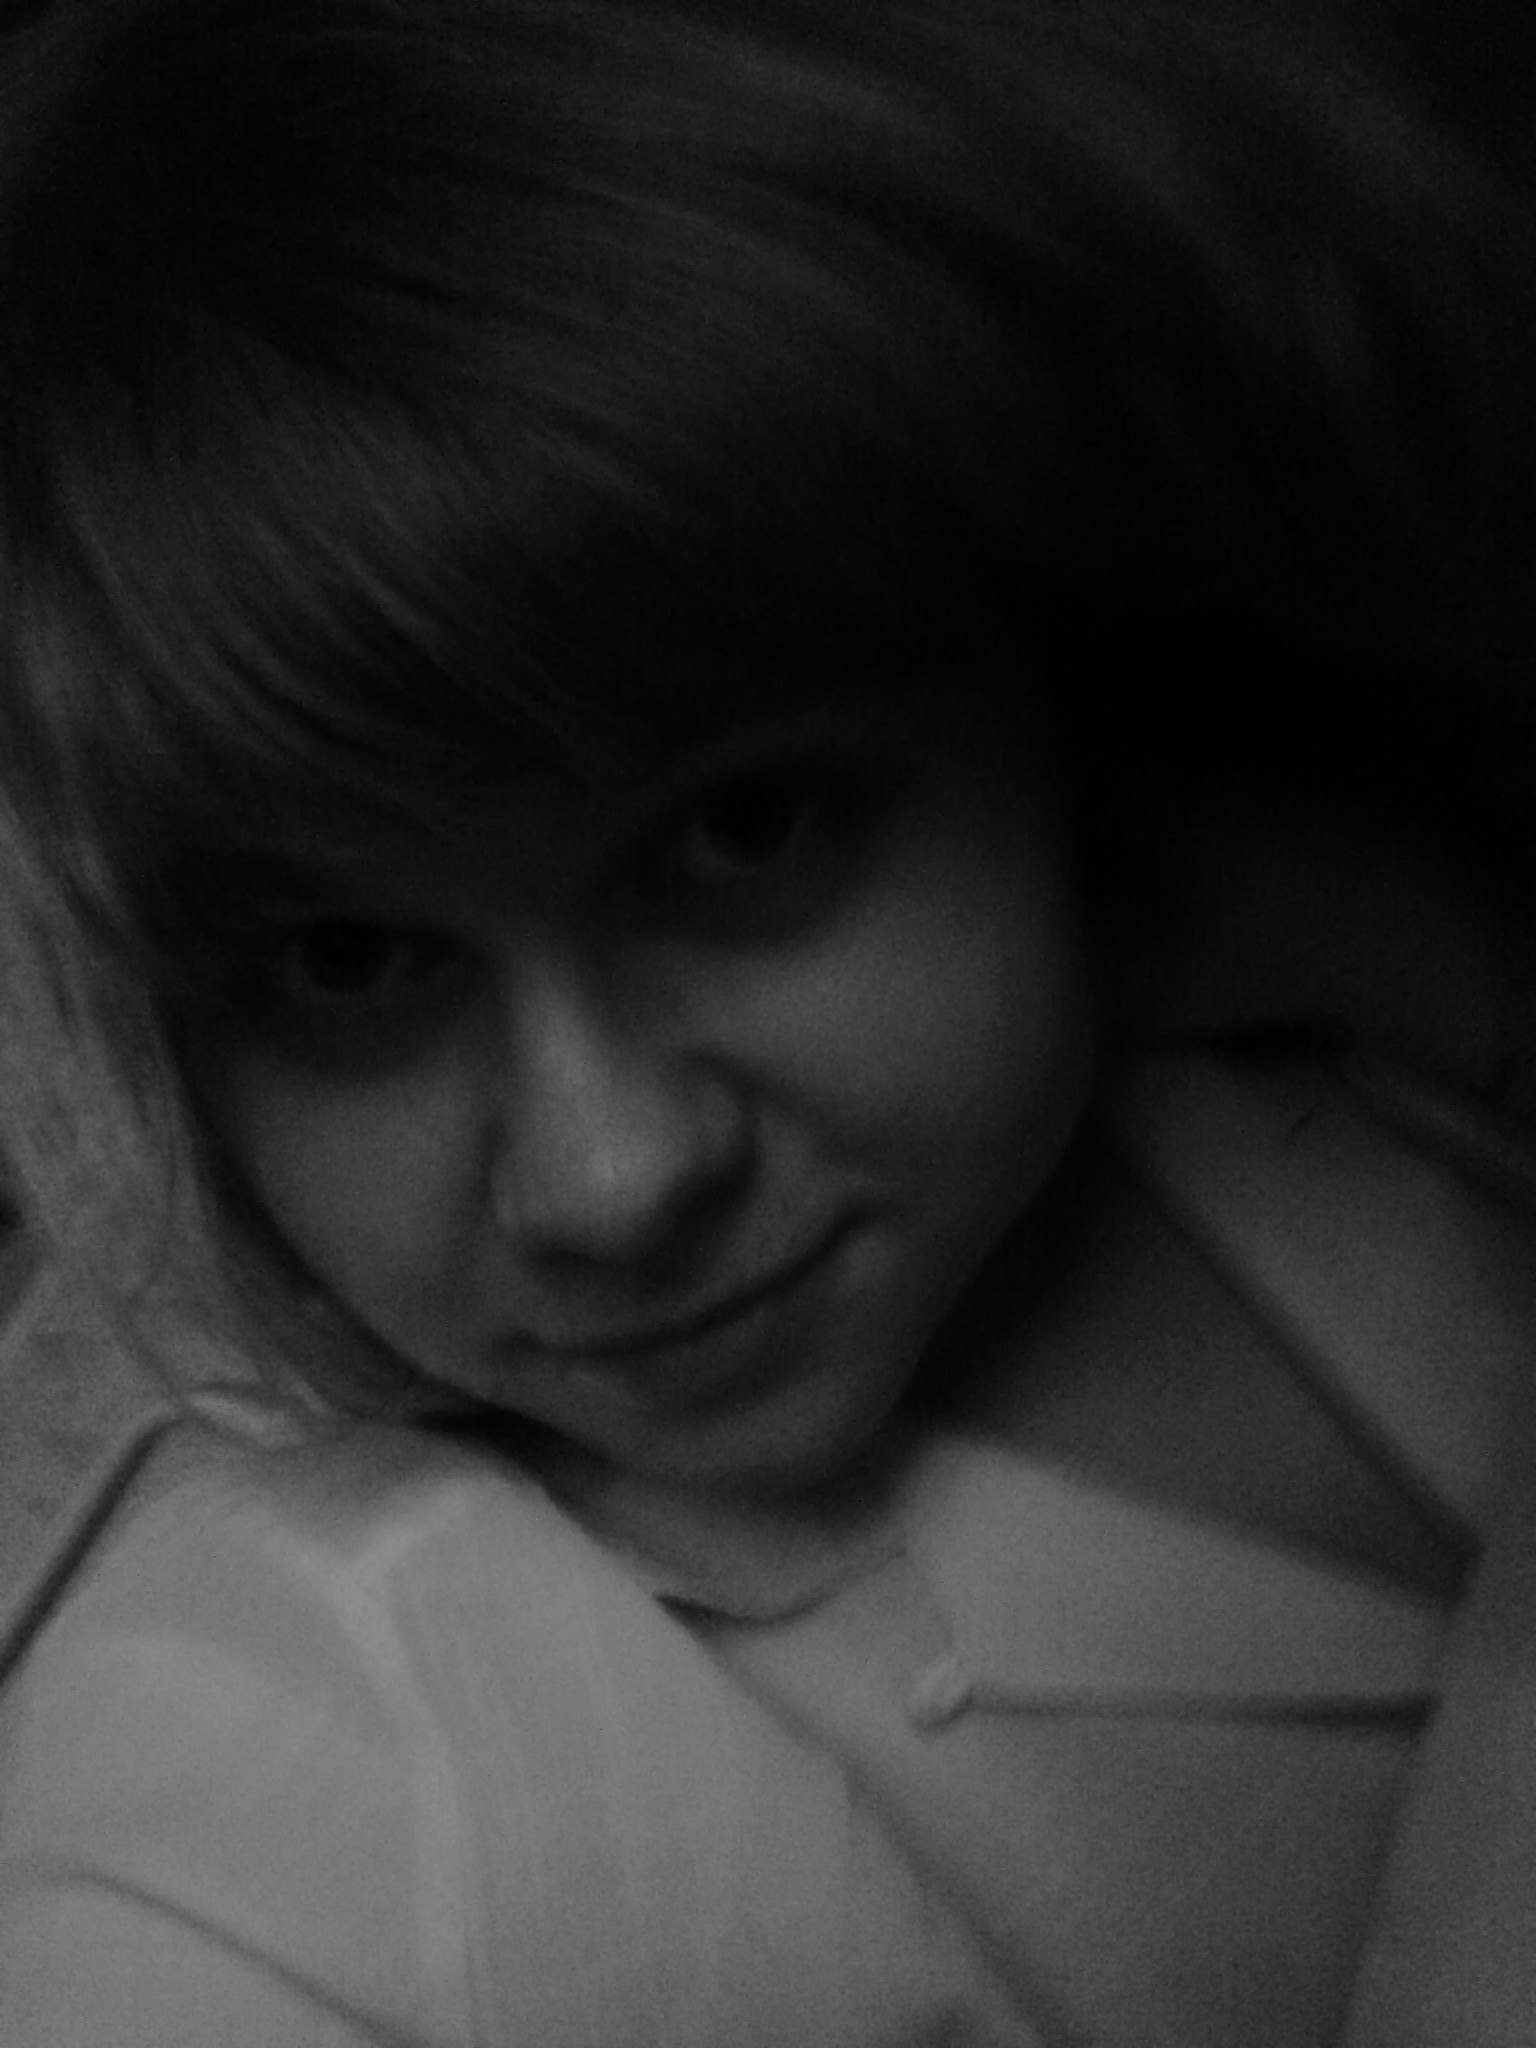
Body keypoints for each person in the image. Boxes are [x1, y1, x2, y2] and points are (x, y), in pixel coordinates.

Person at [0, 0, 1534, 2041]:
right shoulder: (292, 1804)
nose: (610, 1175)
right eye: (346, 963)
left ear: (1046, 690)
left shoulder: (1335, 972)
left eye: (744, 831)